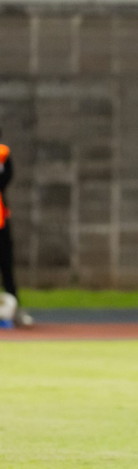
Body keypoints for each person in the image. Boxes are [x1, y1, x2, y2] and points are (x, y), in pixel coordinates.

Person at [0, 133, 32, 328]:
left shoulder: (3, 154)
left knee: (6, 266)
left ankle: (13, 310)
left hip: (1, 222)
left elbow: (5, 180)